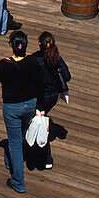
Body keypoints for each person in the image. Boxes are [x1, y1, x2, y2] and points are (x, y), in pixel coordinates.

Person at [0, 31, 44, 194]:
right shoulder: (33, 61)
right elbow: (40, 84)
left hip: (12, 107)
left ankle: (18, 181)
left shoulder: (4, 64)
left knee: (15, 143)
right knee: (23, 135)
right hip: (30, 105)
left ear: (12, 45)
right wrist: (41, 106)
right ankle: (10, 160)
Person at [30, 32, 70, 171]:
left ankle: (44, 158)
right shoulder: (57, 58)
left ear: (40, 44)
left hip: (40, 97)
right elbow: (67, 76)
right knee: (42, 120)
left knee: (40, 125)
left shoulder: (35, 59)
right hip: (53, 96)